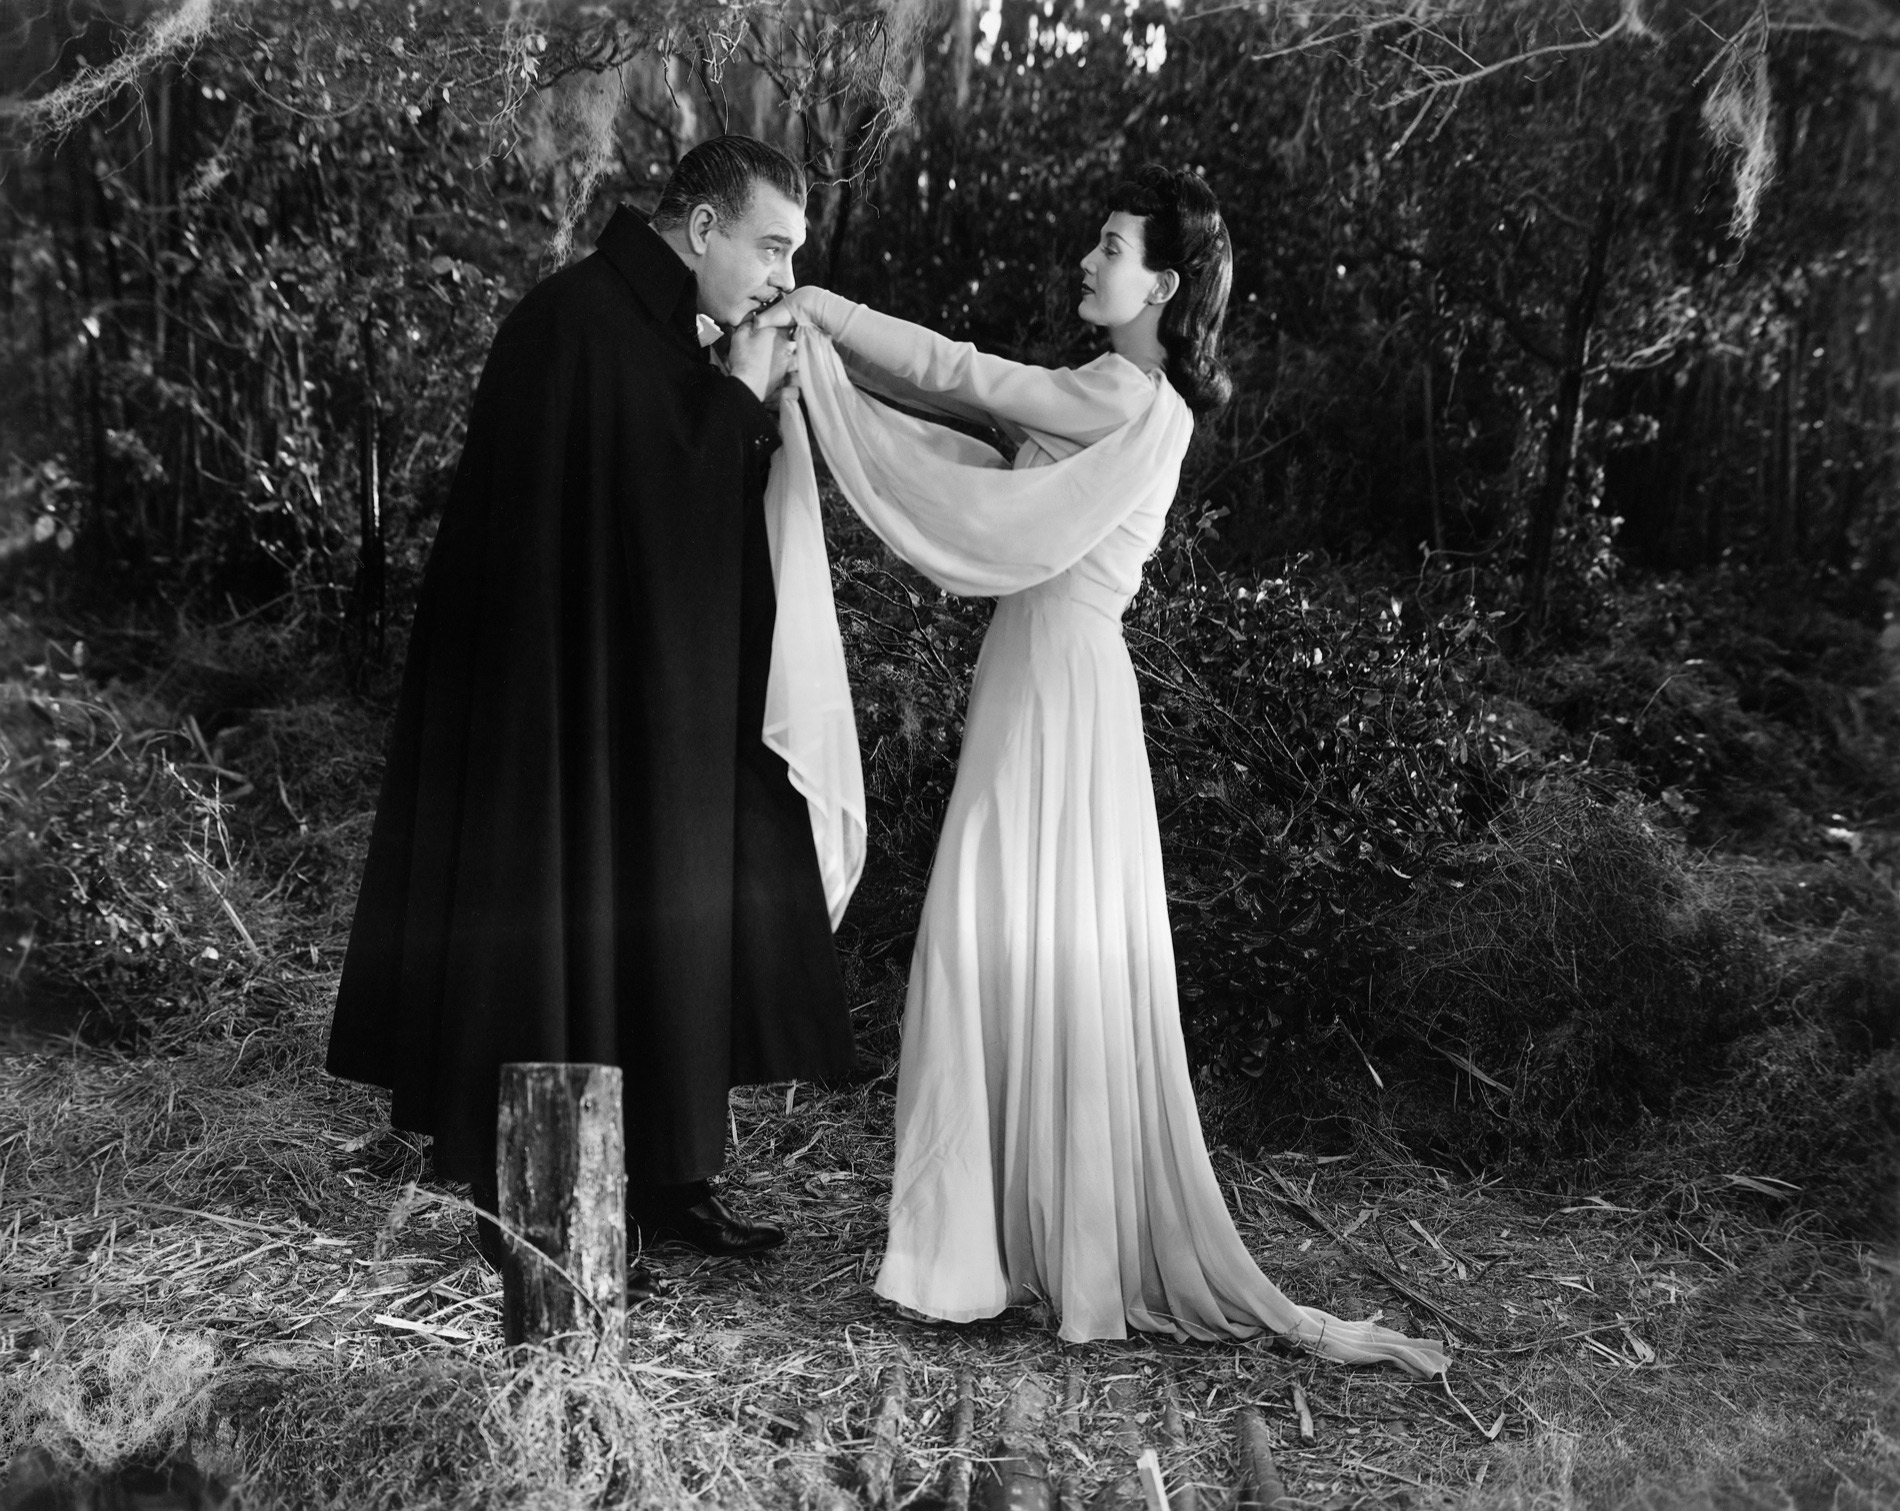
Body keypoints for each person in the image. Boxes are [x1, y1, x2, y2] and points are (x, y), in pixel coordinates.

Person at [758, 167, 1448, 1374]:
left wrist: (825, 311)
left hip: (1055, 688)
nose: (1089, 258)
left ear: (1163, 285)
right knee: (1029, 945)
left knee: (981, 936)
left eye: (1113, 246)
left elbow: (965, 374)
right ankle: (1007, 1241)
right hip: (1056, 677)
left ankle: (972, 1251)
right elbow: (962, 421)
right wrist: (835, 373)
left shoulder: (1123, 395)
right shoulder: (1123, 398)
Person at [324, 135, 856, 1286]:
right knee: (563, 936)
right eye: (770, 246)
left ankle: (666, 1177)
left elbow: (675, 512)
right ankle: (555, 1212)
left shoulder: (661, 330)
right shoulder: (571, 326)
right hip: (556, 725)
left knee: (663, 919)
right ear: (702, 227)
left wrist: (739, 404)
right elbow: (640, 510)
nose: (781, 275)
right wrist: (736, 401)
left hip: (648, 706)